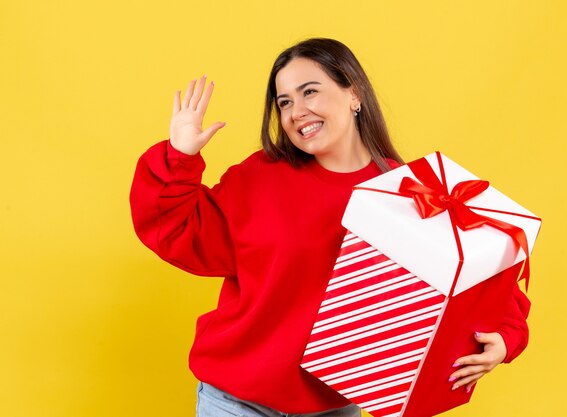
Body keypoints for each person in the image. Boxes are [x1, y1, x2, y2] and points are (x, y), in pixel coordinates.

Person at [130, 38, 531, 417]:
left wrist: (506, 339)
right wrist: (179, 155)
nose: (295, 111)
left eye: (310, 91)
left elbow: (480, 280)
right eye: (284, 101)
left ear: (353, 93)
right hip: (235, 401)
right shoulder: (259, 177)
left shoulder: (410, 193)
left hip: (332, 405)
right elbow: (184, 233)